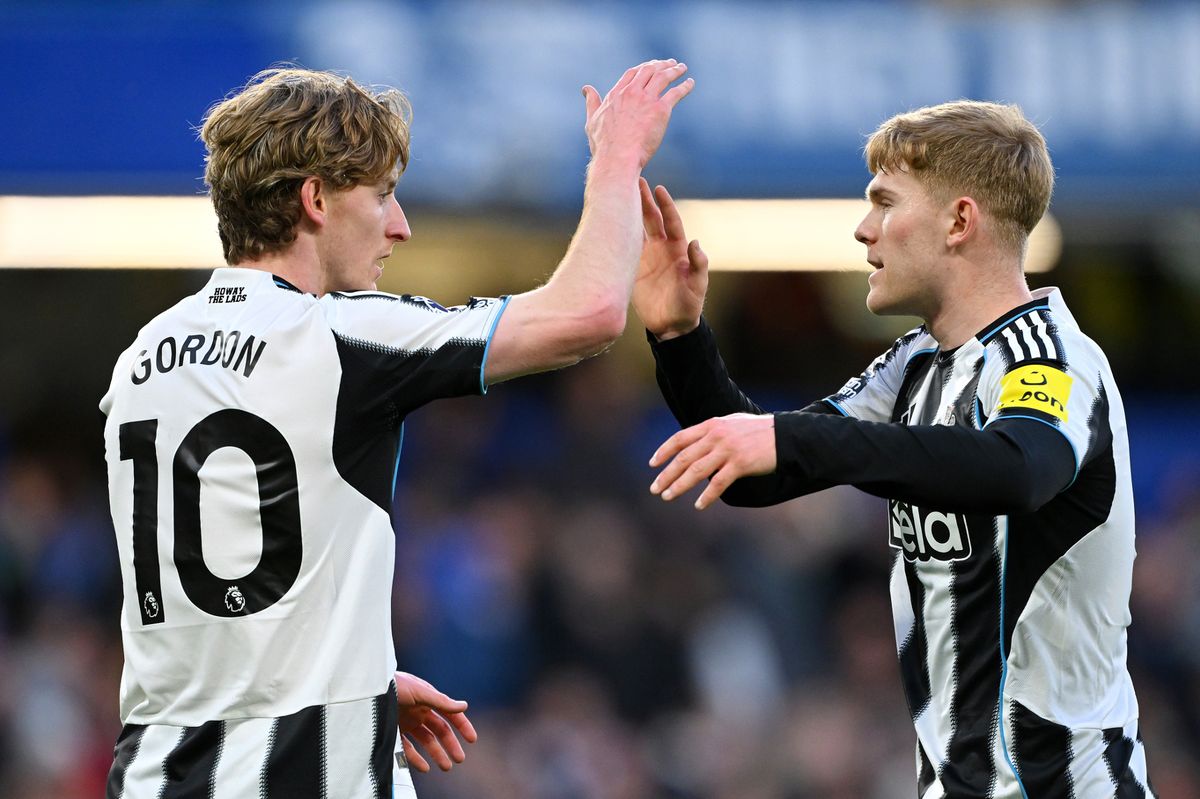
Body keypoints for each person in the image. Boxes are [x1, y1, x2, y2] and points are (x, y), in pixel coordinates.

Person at [99, 59, 693, 799]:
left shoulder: (142, 359)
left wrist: (357, 676)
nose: (400, 225)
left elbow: (211, 591)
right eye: (381, 196)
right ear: (314, 198)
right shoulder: (335, 333)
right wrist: (617, 158)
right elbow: (589, 314)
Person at [636, 101, 1156, 797]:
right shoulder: (914, 364)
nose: (863, 228)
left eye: (884, 201)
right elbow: (760, 471)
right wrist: (681, 339)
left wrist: (794, 438)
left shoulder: (1052, 359)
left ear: (959, 221)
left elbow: (1016, 468)